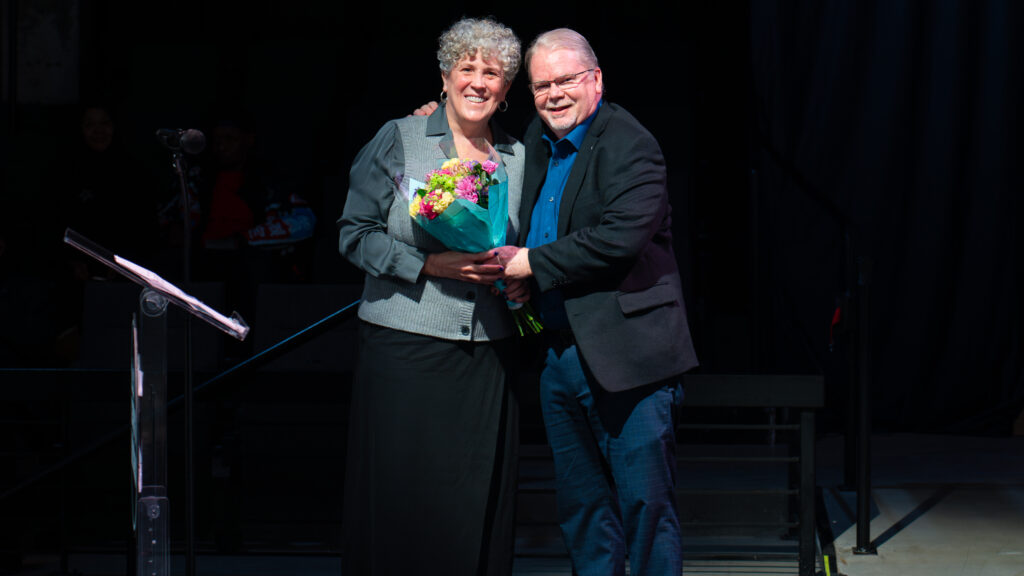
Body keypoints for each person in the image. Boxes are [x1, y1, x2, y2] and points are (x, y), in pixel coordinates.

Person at [489, 29, 699, 576]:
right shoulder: (537, 138)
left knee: (645, 509)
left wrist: (530, 264)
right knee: (581, 510)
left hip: (630, 359)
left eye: (566, 81)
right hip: (558, 357)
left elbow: (619, 238)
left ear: (596, 80)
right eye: (542, 85)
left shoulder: (630, 143)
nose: (554, 94)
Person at [337, 17, 526, 576]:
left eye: (492, 73)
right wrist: (428, 263)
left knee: (472, 505)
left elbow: (532, 241)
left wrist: (521, 272)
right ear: (444, 77)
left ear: (507, 90)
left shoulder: (520, 157)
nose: (478, 81)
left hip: (489, 355)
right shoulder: (400, 136)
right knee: (403, 505)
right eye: (466, 68)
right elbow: (354, 233)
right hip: (404, 348)